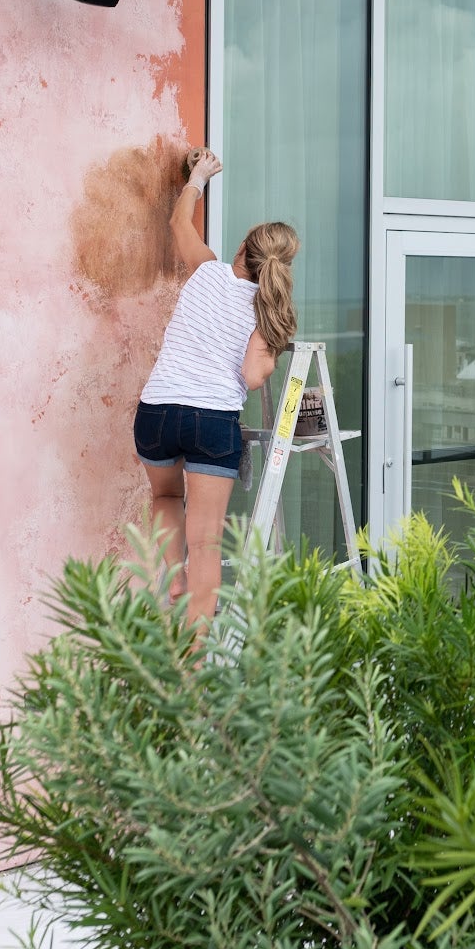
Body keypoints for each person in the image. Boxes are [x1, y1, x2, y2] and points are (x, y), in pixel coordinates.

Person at [132, 148, 298, 623]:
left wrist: (199, 176)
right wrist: (270, 357)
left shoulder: (204, 270)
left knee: (165, 497)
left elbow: (179, 224)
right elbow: (251, 376)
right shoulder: (267, 312)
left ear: (242, 248)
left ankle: (174, 575)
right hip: (210, 419)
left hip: (157, 412)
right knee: (205, 543)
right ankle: (197, 659)